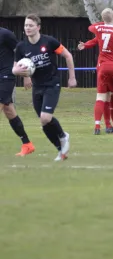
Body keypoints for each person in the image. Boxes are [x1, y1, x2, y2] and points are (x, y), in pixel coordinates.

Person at [12, 14, 77, 161]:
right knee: (43, 122)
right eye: (26, 25)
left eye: (30, 25)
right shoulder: (21, 47)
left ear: (38, 27)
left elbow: (68, 56)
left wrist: (72, 77)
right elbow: (15, 68)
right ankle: (60, 149)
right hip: (37, 86)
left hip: (52, 83)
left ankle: (62, 136)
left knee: (45, 117)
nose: (27, 28)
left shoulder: (49, 42)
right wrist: (20, 74)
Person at [0, 26, 35, 156]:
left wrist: (26, 76)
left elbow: (22, 54)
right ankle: (27, 144)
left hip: (6, 76)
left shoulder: (5, 34)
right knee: (9, 111)